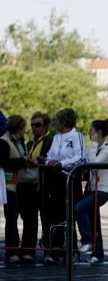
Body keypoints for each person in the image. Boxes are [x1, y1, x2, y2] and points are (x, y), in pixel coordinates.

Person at [43, 108, 86, 264]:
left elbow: (81, 158)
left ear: (65, 122)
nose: (55, 124)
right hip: (55, 181)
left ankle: (72, 251)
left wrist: (62, 163)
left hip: (70, 179)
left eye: (58, 122)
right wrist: (51, 162)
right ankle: (55, 249)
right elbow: (50, 156)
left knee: (69, 216)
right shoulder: (56, 138)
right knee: (54, 215)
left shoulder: (77, 136)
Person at [74, 119, 108, 264]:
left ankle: (87, 239)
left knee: (78, 208)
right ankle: (98, 254)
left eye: (91, 131)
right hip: (91, 189)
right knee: (93, 220)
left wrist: (93, 144)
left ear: (98, 133)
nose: (89, 134)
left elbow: (94, 164)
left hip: (102, 190)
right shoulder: (95, 147)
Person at [0, 115, 39, 264]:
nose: (25, 131)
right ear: (18, 129)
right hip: (10, 186)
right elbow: (4, 162)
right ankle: (12, 252)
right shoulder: (4, 141)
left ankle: (27, 251)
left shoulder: (20, 141)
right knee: (11, 220)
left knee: (28, 218)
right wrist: (23, 161)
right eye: (23, 128)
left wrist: (27, 159)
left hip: (23, 185)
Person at [28, 112, 53, 261]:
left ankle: (48, 252)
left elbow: (49, 156)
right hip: (31, 185)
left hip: (45, 186)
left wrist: (38, 159)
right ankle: (29, 251)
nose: (34, 128)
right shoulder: (31, 143)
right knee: (30, 219)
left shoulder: (50, 140)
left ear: (45, 126)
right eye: (32, 125)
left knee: (46, 219)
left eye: (37, 125)